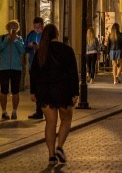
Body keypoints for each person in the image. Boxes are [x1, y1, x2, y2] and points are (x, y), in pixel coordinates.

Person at [29, 24, 79, 166]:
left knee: (50, 123)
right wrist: (75, 92)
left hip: (44, 92)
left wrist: (33, 92)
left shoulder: (40, 52)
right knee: (66, 119)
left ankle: (51, 155)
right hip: (62, 91)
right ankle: (59, 147)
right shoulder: (66, 50)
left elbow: (34, 73)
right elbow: (73, 73)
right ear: (57, 34)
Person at [0, 20, 26, 120]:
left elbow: (23, 50)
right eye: (11, 28)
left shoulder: (19, 39)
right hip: (3, 67)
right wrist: (6, 41)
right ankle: (4, 112)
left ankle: (14, 111)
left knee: (15, 90)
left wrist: (15, 40)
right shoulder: (2, 37)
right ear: (7, 28)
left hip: (16, 68)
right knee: (4, 90)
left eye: (15, 28)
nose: (13, 30)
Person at [24, 17, 45, 120]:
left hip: (44, 64)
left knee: (43, 88)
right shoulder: (31, 34)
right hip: (33, 64)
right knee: (36, 89)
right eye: (35, 27)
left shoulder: (45, 35)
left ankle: (45, 110)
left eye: (39, 27)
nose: (37, 29)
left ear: (42, 25)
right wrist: (29, 45)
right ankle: (39, 111)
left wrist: (40, 47)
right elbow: (25, 49)